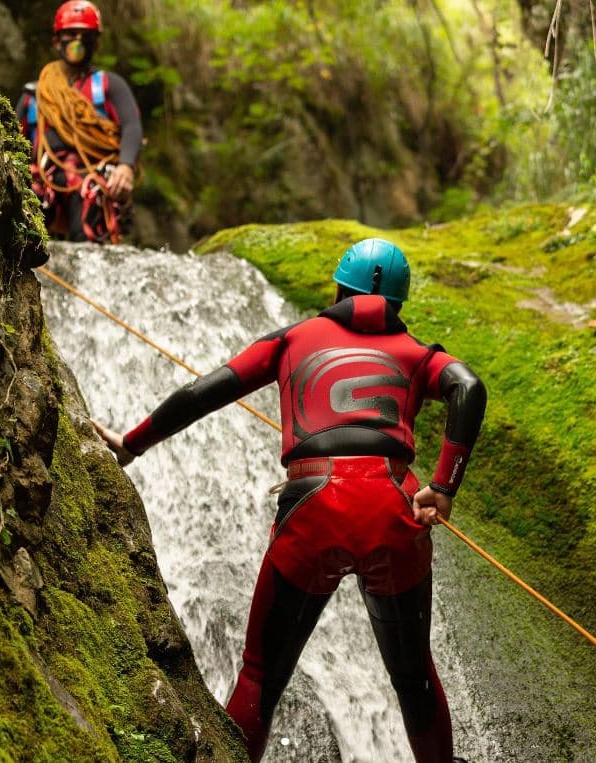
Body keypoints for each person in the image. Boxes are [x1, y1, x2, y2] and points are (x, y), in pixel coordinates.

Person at [93, 238, 486, 763]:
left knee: (260, 673)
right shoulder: (418, 354)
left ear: (339, 289)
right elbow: (470, 388)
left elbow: (206, 391)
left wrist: (133, 443)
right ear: (399, 302)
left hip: (313, 503)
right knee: (413, 678)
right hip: (395, 504)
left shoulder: (293, 338)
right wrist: (444, 485)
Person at [16, 1, 143, 243]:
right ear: (57, 41)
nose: (78, 40)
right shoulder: (35, 94)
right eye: (71, 34)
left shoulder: (109, 85)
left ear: (96, 43)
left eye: (86, 35)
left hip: (90, 178)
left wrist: (126, 167)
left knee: (88, 190)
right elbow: (10, 139)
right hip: (43, 178)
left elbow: (131, 125)